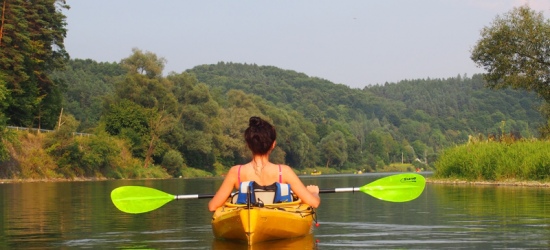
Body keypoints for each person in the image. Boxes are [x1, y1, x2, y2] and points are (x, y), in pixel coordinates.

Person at [208, 116, 320, 212]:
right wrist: (314, 193)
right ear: (273, 145)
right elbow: (313, 203)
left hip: (248, 217)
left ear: (248, 145)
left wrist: (224, 196)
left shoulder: (236, 172)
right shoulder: (284, 171)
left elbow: (213, 206)